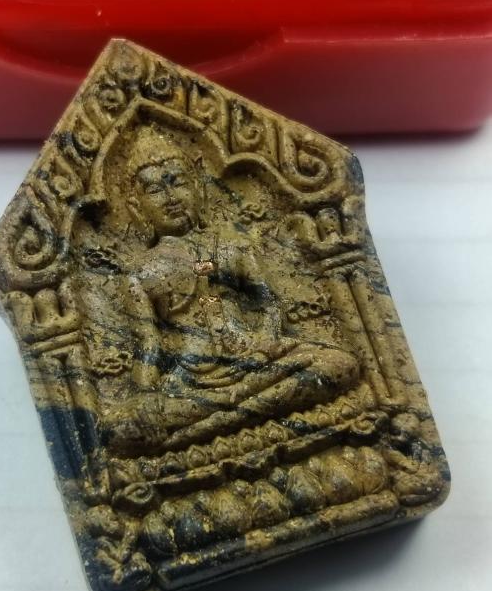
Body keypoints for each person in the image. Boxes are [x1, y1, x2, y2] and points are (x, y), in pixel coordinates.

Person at [105, 126, 359, 455]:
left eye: (178, 182)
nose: (170, 198)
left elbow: (268, 303)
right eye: (154, 190)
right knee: (122, 428)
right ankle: (240, 415)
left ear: (198, 187)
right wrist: (145, 397)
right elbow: (149, 344)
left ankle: (204, 430)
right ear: (136, 206)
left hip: (254, 361)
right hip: (190, 379)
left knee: (339, 364)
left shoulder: (230, 245)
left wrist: (263, 346)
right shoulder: (140, 273)